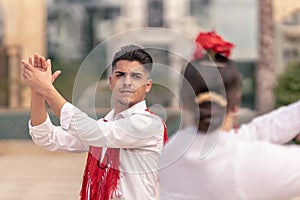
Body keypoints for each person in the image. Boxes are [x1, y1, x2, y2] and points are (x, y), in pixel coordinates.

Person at [158, 31, 300, 200]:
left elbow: (250, 134)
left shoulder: (171, 152)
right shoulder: (242, 164)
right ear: (236, 104)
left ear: (184, 100)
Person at [22, 45, 168, 200]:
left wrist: (48, 90)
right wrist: (37, 91)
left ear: (148, 85)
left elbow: (91, 131)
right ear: (111, 82)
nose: (127, 82)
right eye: (120, 75)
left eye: (136, 77)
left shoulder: (148, 124)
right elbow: (47, 137)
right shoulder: (105, 124)